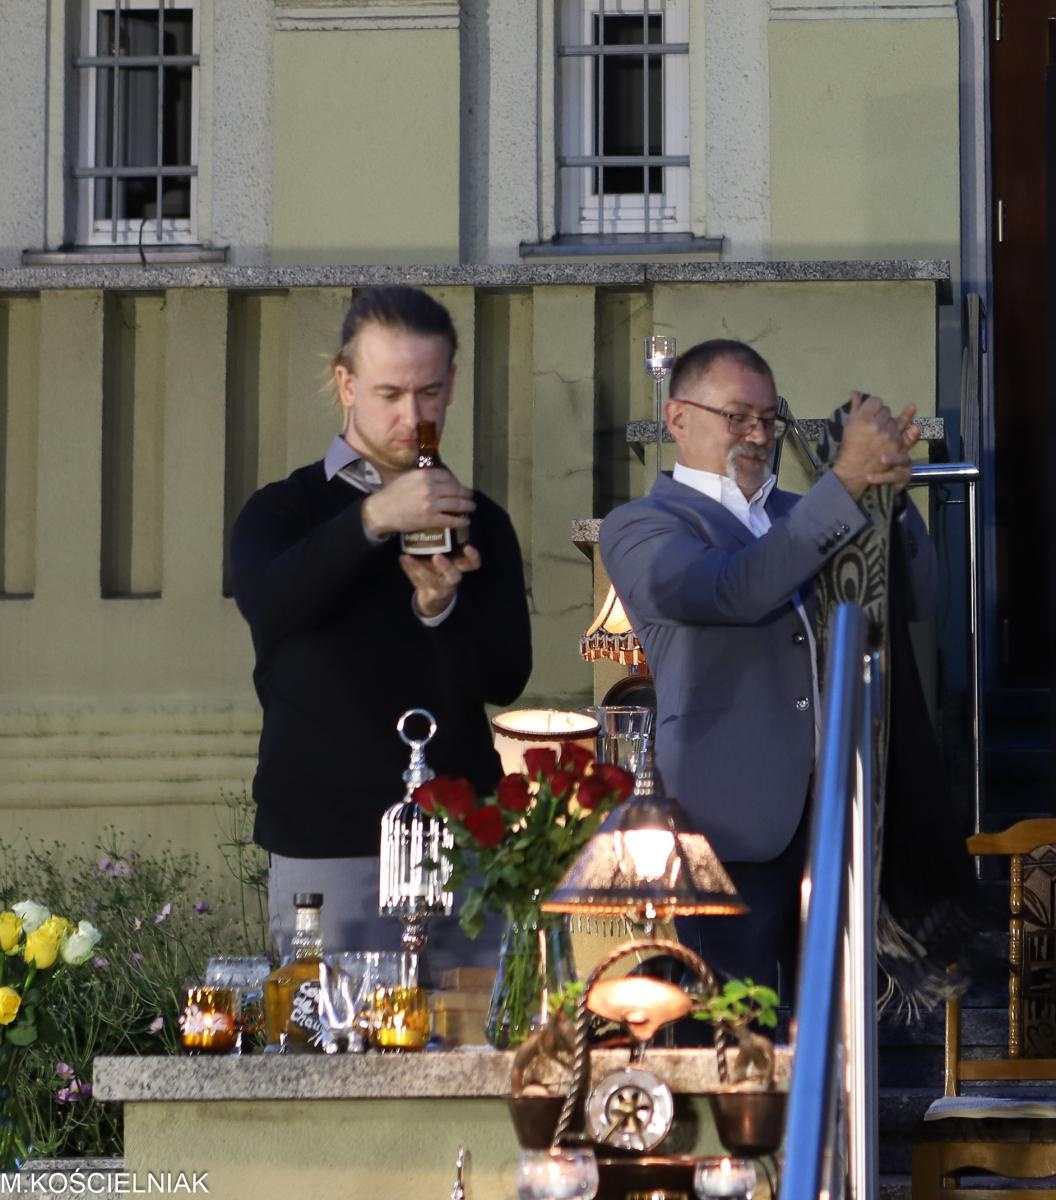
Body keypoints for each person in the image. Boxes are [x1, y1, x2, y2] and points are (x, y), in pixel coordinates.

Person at [599, 338, 936, 997]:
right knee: (732, 1029)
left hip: (838, 815)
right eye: (736, 417)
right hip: (726, 829)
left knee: (834, 1027)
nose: (756, 435)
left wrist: (890, 504)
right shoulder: (642, 525)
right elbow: (735, 590)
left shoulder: (802, 512)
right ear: (677, 420)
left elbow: (919, 598)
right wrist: (842, 486)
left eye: (767, 419)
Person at [231, 286, 532, 968]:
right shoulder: (285, 509)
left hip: (459, 841)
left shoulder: (476, 517)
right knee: (330, 1053)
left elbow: (506, 675)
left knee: (470, 1058)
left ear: (451, 383)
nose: (413, 416)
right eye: (389, 393)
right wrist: (372, 519)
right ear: (346, 383)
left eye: (428, 392)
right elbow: (270, 604)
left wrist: (441, 611)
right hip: (326, 841)